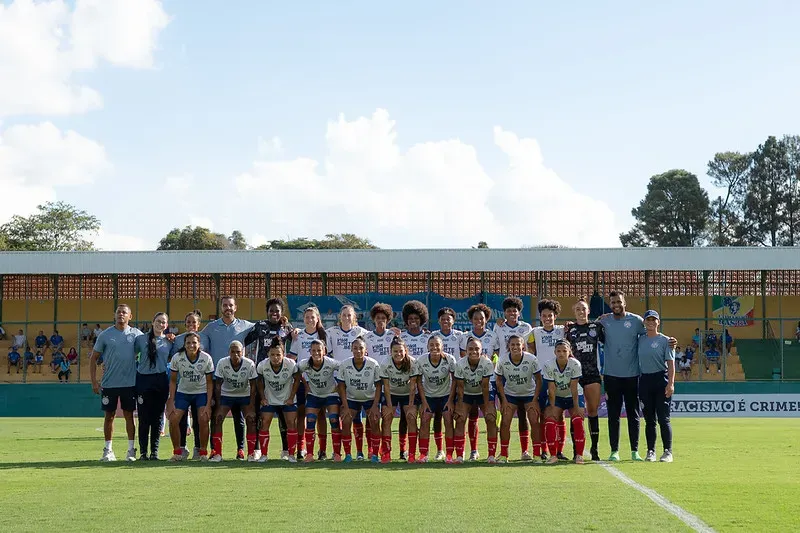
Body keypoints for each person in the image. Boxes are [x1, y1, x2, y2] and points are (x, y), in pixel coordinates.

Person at [201, 296, 255, 460]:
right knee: (216, 417)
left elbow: (264, 327)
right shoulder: (211, 327)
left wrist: (286, 325)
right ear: (221, 307)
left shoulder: (245, 325)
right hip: (220, 381)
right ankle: (214, 451)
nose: (228, 308)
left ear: (235, 307)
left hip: (240, 381)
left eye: (230, 305)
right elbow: (196, 340)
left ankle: (242, 450)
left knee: (241, 419)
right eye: (225, 305)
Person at [244, 298, 297, 459]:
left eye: (277, 311)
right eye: (271, 310)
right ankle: (258, 449)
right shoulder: (260, 326)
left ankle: (286, 450)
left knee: (283, 415)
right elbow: (246, 340)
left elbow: (297, 340)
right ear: (267, 312)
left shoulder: (286, 327)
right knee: (262, 414)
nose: (274, 313)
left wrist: (296, 333)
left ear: (282, 313)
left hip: (282, 376)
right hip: (263, 375)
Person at [90, 304, 144, 462]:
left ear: (130, 316)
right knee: (109, 416)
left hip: (130, 383)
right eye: (119, 312)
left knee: (129, 416)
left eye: (124, 312)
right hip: (109, 383)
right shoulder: (106, 335)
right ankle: (108, 450)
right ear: (114, 315)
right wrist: (94, 381)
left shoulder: (136, 334)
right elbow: (93, 357)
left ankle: (130, 450)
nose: (121, 314)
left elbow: (149, 347)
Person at [494, 296, 535, 461]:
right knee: (506, 414)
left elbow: (532, 348)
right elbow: (496, 350)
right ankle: (504, 453)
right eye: (508, 311)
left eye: (514, 311)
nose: (512, 313)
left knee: (523, 414)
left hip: (524, 374)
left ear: (519, 312)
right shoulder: (499, 327)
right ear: (504, 313)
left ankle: (525, 451)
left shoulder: (526, 327)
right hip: (505, 374)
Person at [327, 306, 370, 459]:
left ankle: (359, 452)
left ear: (354, 317)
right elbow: (317, 338)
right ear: (340, 316)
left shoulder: (362, 333)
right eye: (343, 315)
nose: (346, 317)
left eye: (349, 315)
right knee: (338, 417)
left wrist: (395, 332)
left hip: (357, 380)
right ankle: (338, 451)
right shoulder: (331, 332)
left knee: (356, 417)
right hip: (338, 380)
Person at [565, 297, 605, 461]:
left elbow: (609, 342)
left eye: (584, 309)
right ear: (574, 312)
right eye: (578, 309)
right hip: (574, 375)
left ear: (588, 311)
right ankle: (576, 451)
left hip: (592, 374)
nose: (581, 312)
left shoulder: (597, 327)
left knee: (593, 411)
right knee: (576, 413)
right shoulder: (569, 330)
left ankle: (594, 449)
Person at [290, 306, 330, 460]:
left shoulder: (324, 335)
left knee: (320, 415)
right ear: (303, 319)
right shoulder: (298, 336)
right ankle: (301, 448)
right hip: (301, 381)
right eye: (307, 317)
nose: (310, 320)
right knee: (301, 414)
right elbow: (292, 357)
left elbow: (328, 358)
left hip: (320, 381)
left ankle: (322, 450)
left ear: (317, 318)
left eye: (312, 317)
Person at [459, 303, 498, 461]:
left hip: (489, 380)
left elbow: (496, 356)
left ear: (486, 319)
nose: (478, 321)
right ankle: (473, 450)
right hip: (469, 382)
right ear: (471, 319)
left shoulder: (493, 336)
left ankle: (492, 453)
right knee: (470, 416)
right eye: (475, 318)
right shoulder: (464, 337)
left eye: (481, 318)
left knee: (490, 416)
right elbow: (465, 359)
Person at [527, 298, 565, 461]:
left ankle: (559, 450)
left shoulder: (563, 330)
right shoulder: (534, 332)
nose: (547, 318)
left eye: (550, 315)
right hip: (542, 378)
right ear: (540, 317)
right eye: (544, 315)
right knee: (542, 414)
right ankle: (543, 449)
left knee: (560, 414)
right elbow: (529, 349)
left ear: (555, 316)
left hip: (560, 377)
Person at [167, 332, 214, 461]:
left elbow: (210, 382)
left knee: (203, 419)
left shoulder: (206, 358)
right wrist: (171, 400)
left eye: (194, 342)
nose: (191, 345)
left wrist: (209, 404)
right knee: (173, 419)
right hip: (183, 393)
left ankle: (203, 453)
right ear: (184, 344)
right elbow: (172, 380)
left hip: (201, 393)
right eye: (188, 343)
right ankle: (177, 452)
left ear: (199, 344)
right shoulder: (177, 358)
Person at [495, 335, 542, 463]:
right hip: (511, 395)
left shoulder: (531, 359)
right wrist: (503, 400)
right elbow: (498, 380)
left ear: (522, 345)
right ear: (508, 346)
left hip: (529, 395)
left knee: (534, 420)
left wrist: (535, 400)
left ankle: (537, 455)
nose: (515, 347)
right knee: (505, 422)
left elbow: (539, 379)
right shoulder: (503, 360)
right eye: (512, 345)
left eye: (518, 344)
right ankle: (504, 454)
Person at [210, 340, 258, 462]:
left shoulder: (249, 364)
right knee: (217, 418)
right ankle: (218, 454)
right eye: (233, 352)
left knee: (251, 419)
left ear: (243, 353)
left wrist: (252, 405)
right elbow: (218, 385)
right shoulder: (222, 362)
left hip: (244, 394)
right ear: (229, 352)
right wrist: (220, 403)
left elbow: (253, 385)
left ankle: (251, 453)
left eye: (238, 352)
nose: (235, 355)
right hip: (227, 394)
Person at [336, 336, 382, 463]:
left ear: (365, 350)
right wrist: (345, 406)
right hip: (351, 399)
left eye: (360, 348)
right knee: (345, 421)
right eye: (355, 348)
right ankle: (348, 454)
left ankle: (374, 454)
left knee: (374, 422)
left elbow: (379, 386)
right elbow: (341, 386)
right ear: (351, 349)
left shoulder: (373, 364)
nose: (358, 351)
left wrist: (375, 406)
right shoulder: (345, 364)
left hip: (370, 398)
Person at [133, 312, 172, 460]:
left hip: (160, 380)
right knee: (143, 418)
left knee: (157, 418)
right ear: (152, 322)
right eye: (158, 321)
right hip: (143, 380)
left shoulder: (169, 342)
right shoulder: (141, 339)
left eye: (163, 322)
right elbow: (131, 355)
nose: (160, 324)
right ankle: (143, 452)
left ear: (166, 325)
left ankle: (154, 452)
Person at [256, 338, 301, 462]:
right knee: (264, 423)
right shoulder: (262, 365)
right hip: (270, 399)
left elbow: (297, 379)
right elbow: (259, 381)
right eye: (272, 355)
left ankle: (291, 455)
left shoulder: (291, 364)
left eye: (278, 355)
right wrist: (263, 398)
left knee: (291, 424)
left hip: (287, 399)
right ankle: (264, 455)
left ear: (283, 355)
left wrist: (291, 397)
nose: (275, 357)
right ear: (268, 355)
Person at [638, 310, 675, 462]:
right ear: (645, 322)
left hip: (661, 379)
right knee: (649, 420)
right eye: (648, 320)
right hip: (645, 380)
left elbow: (671, 364)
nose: (651, 322)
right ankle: (650, 451)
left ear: (658, 322)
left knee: (663, 419)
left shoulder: (666, 341)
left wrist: (671, 384)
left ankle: (668, 451)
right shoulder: (640, 339)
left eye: (654, 320)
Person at [298, 339, 342, 462]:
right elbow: (296, 373)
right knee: (311, 420)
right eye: (313, 350)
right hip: (314, 395)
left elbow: (345, 369)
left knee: (334, 420)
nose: (316, 353)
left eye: (319, 350)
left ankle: (337, 454)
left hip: (331, 395)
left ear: (324, 351)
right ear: (310, 351)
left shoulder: (331, 363)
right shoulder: (304, 364)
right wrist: (305, 385)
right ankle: (310, 454)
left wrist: (339, 385)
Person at [453, 337, 496, 464]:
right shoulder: (460, 364)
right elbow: (460, 387)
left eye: (477, 349)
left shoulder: (487, 363)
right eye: (470, 349)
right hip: (466, 393)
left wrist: (488, 406)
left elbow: (485, 386)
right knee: (460, 418)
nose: (474, 351)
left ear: (481, 350)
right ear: (466, 350)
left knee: (491, 418)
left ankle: (491, 455)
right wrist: (460, 405)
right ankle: (460, 455)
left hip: (483, 393)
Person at [396, 300, 429, 460]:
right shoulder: (400, 337)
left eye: (416, 319)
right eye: (410, 319)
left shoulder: (428, 337)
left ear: (421, 319)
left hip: (423, 384)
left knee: (425, 417)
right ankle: (403, 450)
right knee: (405, 417)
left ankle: (425, 451)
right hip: (406, 384)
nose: (413, 322)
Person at [543, 340, 586, 464]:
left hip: (573, 395)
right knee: (550, 420)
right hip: (557, 396)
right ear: (554, 352)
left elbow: (573, 387)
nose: (561, 354)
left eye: (564, 351)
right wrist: (551, 406)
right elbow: (551, 388)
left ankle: (579, 455)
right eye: (558, 351)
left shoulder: (575, 364)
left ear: (569, 352)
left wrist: (577, 407)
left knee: (578, 420)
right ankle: (553, 455)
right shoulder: (548, 365)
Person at [416, 335, 457, 462]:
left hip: (445, 396)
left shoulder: (449, 359)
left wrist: (450, 400)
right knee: (425, 419)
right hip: (428, 397)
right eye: (432, 345)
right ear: (427, 346)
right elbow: (418, 381)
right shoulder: (421, 360)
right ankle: (424, 454)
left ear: (442, 346)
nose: (434, 347)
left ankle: (449, 454)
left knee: (448, 419)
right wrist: (423, 402)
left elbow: (455, 380)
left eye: (437, 345)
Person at [379, 336, 420, 463]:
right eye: (395, 351)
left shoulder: (412, 363)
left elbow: (413, 386)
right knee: (386, 418)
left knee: (411, 418)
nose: (398, 354)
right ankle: (386, 453)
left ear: (405, 351)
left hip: (408, 394)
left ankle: (411, 453)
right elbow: (385, 387)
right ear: (390, 352)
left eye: (401, 351)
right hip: (391, 394)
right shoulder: (385, 363)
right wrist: (390, 406)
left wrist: (412, 406)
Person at [171, 310, 203, 459]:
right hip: (182, 386)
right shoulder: (177, 340)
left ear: (199, 324)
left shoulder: (205, 338)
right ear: (184, 325)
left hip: (200, 386)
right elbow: (172, 359)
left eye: (194, 322)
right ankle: (182, 447)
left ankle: (198, 448)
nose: (191, 325)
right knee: (181, 418)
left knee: (199, 419)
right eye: (188, 322)